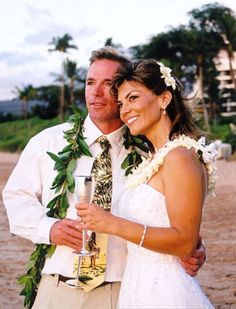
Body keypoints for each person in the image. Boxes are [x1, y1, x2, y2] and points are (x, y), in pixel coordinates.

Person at [3, 49, 206, 309]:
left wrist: (194, 246)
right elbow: (16, 198)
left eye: (108, 84)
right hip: (58, 289)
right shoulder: (47, 142)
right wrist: (49, 228)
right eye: (90, 82)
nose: (95, 92)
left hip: (122, 293)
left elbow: (171, 213)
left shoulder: (149, 152)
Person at [77, 59, 217, 308]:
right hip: (137, 286)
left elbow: (184, 241)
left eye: (133, 98)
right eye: (121, 103)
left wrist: (110, 223)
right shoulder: (153, 158)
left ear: (163, 99)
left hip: (164, 292)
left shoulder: (180, 156)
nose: (125, 110)